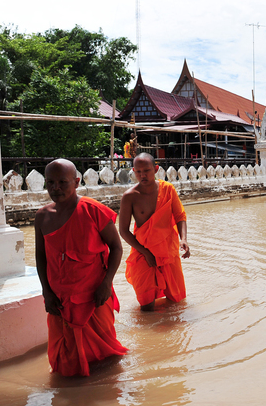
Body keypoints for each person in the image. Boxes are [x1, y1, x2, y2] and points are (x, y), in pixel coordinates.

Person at [34, 159, 127, 376]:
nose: (56, 188)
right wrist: (46, 292)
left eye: (62, 182)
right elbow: (41, 256)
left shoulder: (94, 210)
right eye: (50, 183)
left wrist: (107, 283)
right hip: (60, 297)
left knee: (105, 355)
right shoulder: (42, 216)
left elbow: (116, 248)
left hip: (94, 295)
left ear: (76, 182)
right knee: (65, 360)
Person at [119, 153, 191, 311]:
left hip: (168, 250)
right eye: (138, 172)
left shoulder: (168, 189)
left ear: (156, 169)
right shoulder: (130, 196)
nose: (142, 175)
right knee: (146, 306)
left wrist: (183, 239)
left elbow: (180, 215)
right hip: (143, 253)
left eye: (147, 170)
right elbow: (123, 231)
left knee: (176, 303)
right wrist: (145, 253)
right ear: (133, 171)